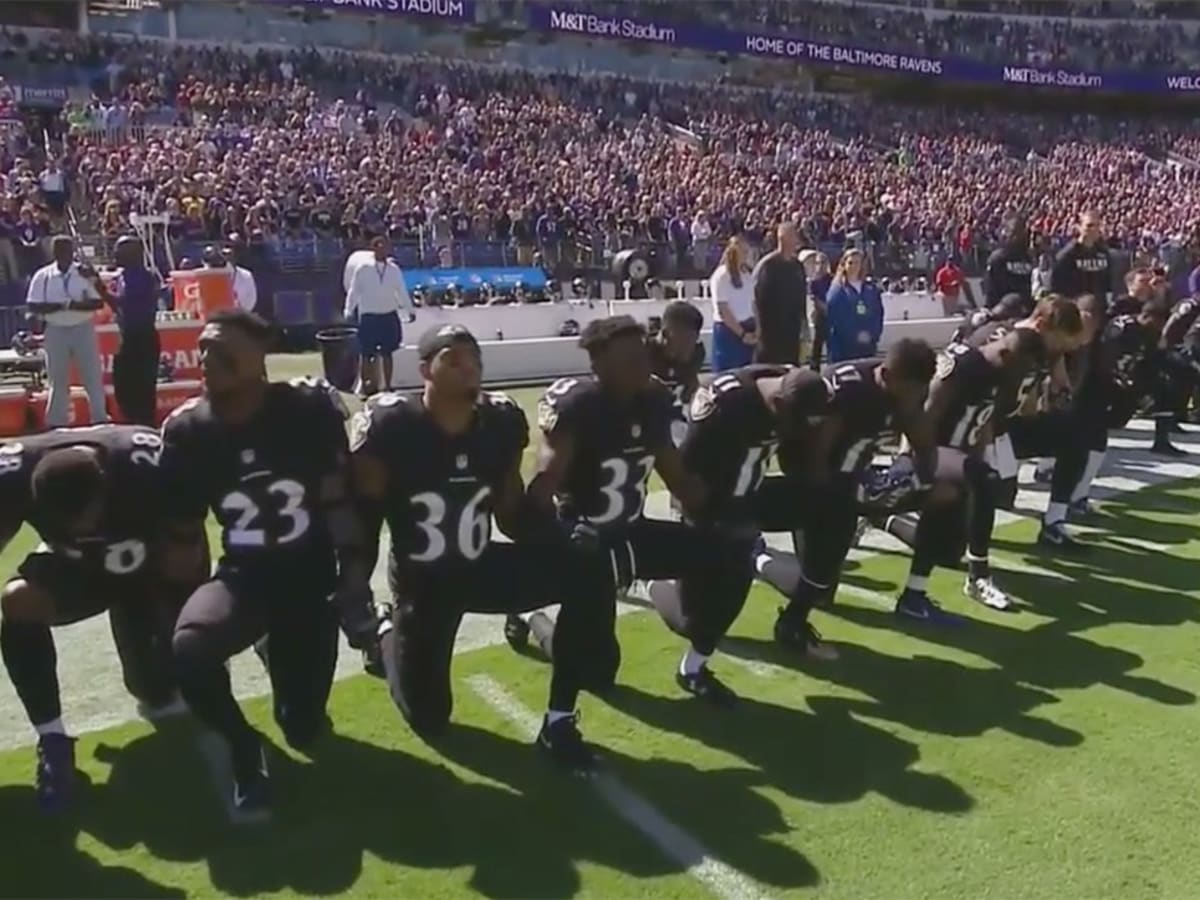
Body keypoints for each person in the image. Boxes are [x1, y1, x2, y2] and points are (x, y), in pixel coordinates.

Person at [350, 324, 615, 772]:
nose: (467, 365)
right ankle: (384, 634)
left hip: (480, 563)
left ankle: (559, 720)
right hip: (424, 582)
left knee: (587, 570)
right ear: (424, 371)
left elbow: (510, 513)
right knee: (430, 718)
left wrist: (557, 536)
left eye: (473, 358)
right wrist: (353, 588)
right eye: (451, 358)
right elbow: (364, 523)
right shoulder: (390, 426)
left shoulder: (498, 422)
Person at [160, 309, 375, 822]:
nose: (208, 359)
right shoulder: (188, 430)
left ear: (262, 355)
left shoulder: (306, 409)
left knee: (302, 725)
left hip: (309, 574)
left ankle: (274, 647)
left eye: (223, 349)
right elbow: (185, 532)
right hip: (246, 576)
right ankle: (243, 748)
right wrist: (183, 605)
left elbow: (335, 503)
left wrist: (352, 581)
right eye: (205, 348)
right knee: (189, 650)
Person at [506, 316, 744, 707]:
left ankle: (695, 664)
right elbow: (543, 485)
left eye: (641, 353)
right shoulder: (579, 405)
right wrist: (555, 538)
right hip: (589, 542)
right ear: (599, 364)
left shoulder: (653, 401)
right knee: (597, 676)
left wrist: (722, 502)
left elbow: (677, 477)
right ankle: (534, 616)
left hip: (634, 532)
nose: (641, 363)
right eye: (628, 357)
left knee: (730, 555)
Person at [0, 425, 207, 811]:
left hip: (152, 566)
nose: (83, 529)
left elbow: (187, 544)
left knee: (160, 690)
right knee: (20, 600)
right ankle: (53, 740)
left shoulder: (147, 463)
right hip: (78, 569)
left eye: (88, 519)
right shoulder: (12, 471)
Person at [882, 296, 1083, 622]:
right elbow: (923, 418)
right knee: (981, 482)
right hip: (929, 449)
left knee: (947, 550)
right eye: (1025, 370)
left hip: (960, 454)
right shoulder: (967, 365)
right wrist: (915, 463)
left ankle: (883, 518)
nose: (1026, 377)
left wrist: (977, 458)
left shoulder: (1010, 368)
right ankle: (976, 577)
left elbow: (983, 421)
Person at [768, 343, 938, 655]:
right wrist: (839, 499)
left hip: (851, 470)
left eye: (919, 391)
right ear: (886, 376)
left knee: (821, 583)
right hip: (809, 468)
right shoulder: (850, 391)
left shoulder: (908, 388)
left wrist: (922, 479)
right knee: (818, 577)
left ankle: (793, 615)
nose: (914, 398)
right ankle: (758, 560)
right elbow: (816, 453)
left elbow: (924, 441)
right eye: (910, 391)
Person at [26, 236, 108, 428]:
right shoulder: (43, 275)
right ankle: (56, 423)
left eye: (67, 250)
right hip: (55, 330)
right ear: (53, 252)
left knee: (92, 377)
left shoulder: (84, 273)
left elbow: (97, 302)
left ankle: (100, 419)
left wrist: (69, 305)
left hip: (83, 328)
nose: (64, 254)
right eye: (60, 250)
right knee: (57, 379)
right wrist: (64, 305)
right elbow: (33, 305)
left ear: (73, 252)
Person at [344, 235, 415, 396]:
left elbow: (401, 291)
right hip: (369, 316)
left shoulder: (393, 270)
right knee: (366, 354)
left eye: (385, 246)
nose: (382, 249)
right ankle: (366, 387)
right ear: (373, 249)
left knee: (387, 353)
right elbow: (354, 291)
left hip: (388, 314)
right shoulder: (363, 268)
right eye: (378, 246)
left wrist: (410, 310)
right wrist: (348, 310)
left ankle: (387, 386)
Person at [109, 235, 162, 426]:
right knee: (124, 387)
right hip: (128, 336)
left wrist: (96, 284)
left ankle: (146, 428)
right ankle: (134, 424)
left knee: (143, 389)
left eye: (120, 250)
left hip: (142, 337)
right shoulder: (122, 276)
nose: (115, 253)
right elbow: (117, 307)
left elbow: (124, 302)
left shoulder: (143, 276)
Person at [648, 300, 705, 447]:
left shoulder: (697, 353)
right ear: (666, 333)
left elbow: (691, 388)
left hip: (672, 416)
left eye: (695, 338)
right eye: (686, 340)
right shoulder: (643, 351)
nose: (691, 346)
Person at [752, 222, 806, 365]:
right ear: (783, 238)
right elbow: (755, 299)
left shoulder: (797, 266)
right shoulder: (767, 265)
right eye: (794, 235)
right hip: (771, 334)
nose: (797, 239)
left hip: (792, 332)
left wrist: (804, 325)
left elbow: (801, 298)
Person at [825, 248, 884, 362]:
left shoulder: (870, 289)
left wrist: (872, 334)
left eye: (857, 263)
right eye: (850, 263)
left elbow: (878, 313)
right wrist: (856, 335)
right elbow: (837, 318)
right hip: (845, 349)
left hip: (867, 347)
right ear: (844, 265)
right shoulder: (837, 290)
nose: (854, 266)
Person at [709, 236, 756, 371]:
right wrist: (742, 334)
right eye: (744, 251)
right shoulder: (721, 276)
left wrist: (758, 329)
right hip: (729, 331)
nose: (746, 255)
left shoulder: (747, 274)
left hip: (748, 326)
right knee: (728, 374)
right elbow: (723, 309)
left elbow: (753, 304)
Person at [1051, 211, 1112, 303]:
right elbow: (1057, 284)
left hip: (1098, 308)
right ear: (1079, 227)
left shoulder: (1103, 252)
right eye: (1089, 225)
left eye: (1097, 225)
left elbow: (1107, 281)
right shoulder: (1068, 254)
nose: (1094, 229)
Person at [984, 217, 1034, 313]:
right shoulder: (998, 258)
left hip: (1024, 309)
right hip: (1002, 308)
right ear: (1006, 233)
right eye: (1013, 232)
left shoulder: (1027, 257)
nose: (1017, 237)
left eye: (1021, 232)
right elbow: (990, 288)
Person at [801, 250, 831, 369]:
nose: (821, 265)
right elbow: (815, 299)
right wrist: (825, 308)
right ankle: (814, 369)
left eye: (823, 262)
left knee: (831, 344)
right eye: (818, 263)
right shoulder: (814, 282)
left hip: (832, 316)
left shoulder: (832, 279)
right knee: (817, 345)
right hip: (821, 316)